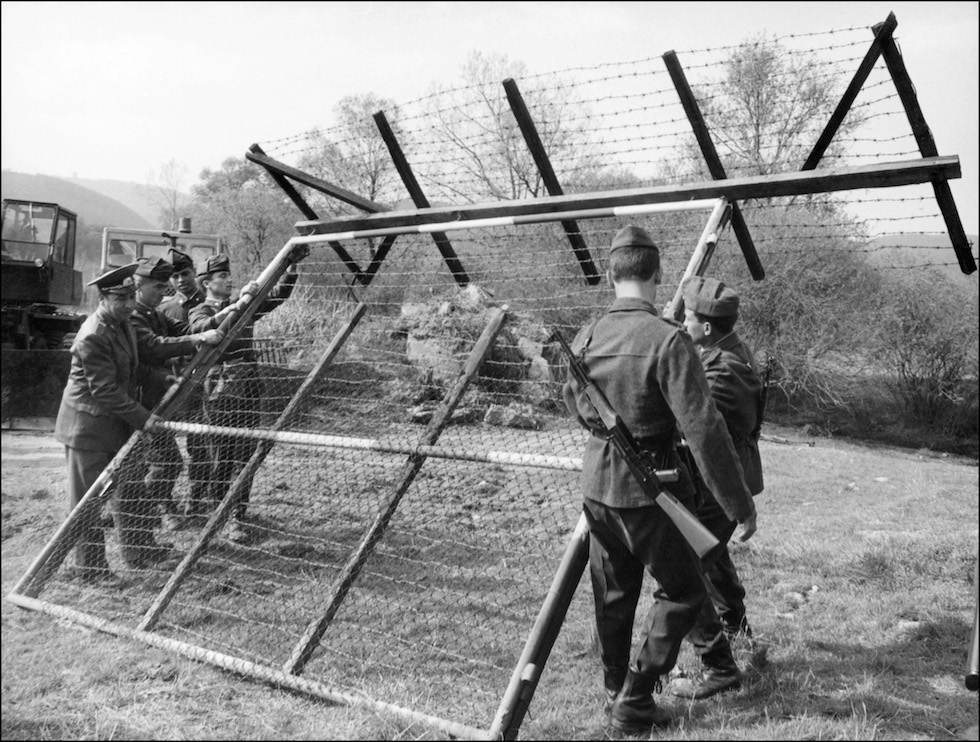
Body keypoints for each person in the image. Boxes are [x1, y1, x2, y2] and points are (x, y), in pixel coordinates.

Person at [562, 225, 757, 735]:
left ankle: (614, 691)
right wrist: (739, 504)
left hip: (597, 488)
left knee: (613, 592)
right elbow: (705, 430)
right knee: (685, 591)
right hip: (654, 490)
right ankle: (636, 695)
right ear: (657, 274)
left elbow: (578, 407)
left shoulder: (586, 335)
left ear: (610, 273)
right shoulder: (668, 339)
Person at [669, 276, 765, 700]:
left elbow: (701, 431)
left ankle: (716, 663)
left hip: (720, 481)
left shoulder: (722, 370)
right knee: (711, 550)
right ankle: (736, 625)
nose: (681, 325)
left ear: (707, 328)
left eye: (687, 319)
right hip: (719, 481)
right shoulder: (724, 348)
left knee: (684, 568)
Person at [188, 247, 307, 542]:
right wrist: (238, 304)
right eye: (222, 276)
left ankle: (238, 515)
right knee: (221, 457)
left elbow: (276, 297)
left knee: (245, 456)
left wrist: (290, 268)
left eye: (229, 275)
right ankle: (219, 513)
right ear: (206, 284)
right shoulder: (201, 310)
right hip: (219, 394)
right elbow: (204, 328)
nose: (228, 280)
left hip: (249, 389)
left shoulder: (242, 304)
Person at [54, 263, 156, 582]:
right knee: (88, 503)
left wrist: (166, 377)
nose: (128, 303)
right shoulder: (94, 334)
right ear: (103, 297)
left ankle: (138, 552)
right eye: (120, 298)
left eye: (131, 295)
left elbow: (131, 369)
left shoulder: (122, 323)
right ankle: (92, 571)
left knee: (129, 488)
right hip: (86, 430)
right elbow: (105, 390)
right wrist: (145, 418)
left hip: (111, 425)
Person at [128, 257, 225, 533]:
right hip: (143, 401)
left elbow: (184, 330)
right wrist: (197, 340)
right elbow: (155, 347)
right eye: (158, 287)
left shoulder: (153, 314)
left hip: (162, 395)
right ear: (139, 286)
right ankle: (147, 509)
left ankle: (140, 509)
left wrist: (218, 318)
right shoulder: (135, 316)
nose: (165, 291)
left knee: (162, 460)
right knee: (163, 461)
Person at [157, 249, 241, 518]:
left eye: (185, 273)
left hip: (202, 386)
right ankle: (165, 503)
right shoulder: (164, 309)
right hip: (172, 384)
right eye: (175, 276)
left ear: (197, 274)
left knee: (202, 447)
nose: (180, 280)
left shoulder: (210, 303)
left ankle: (196, 499)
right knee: (164, 450)